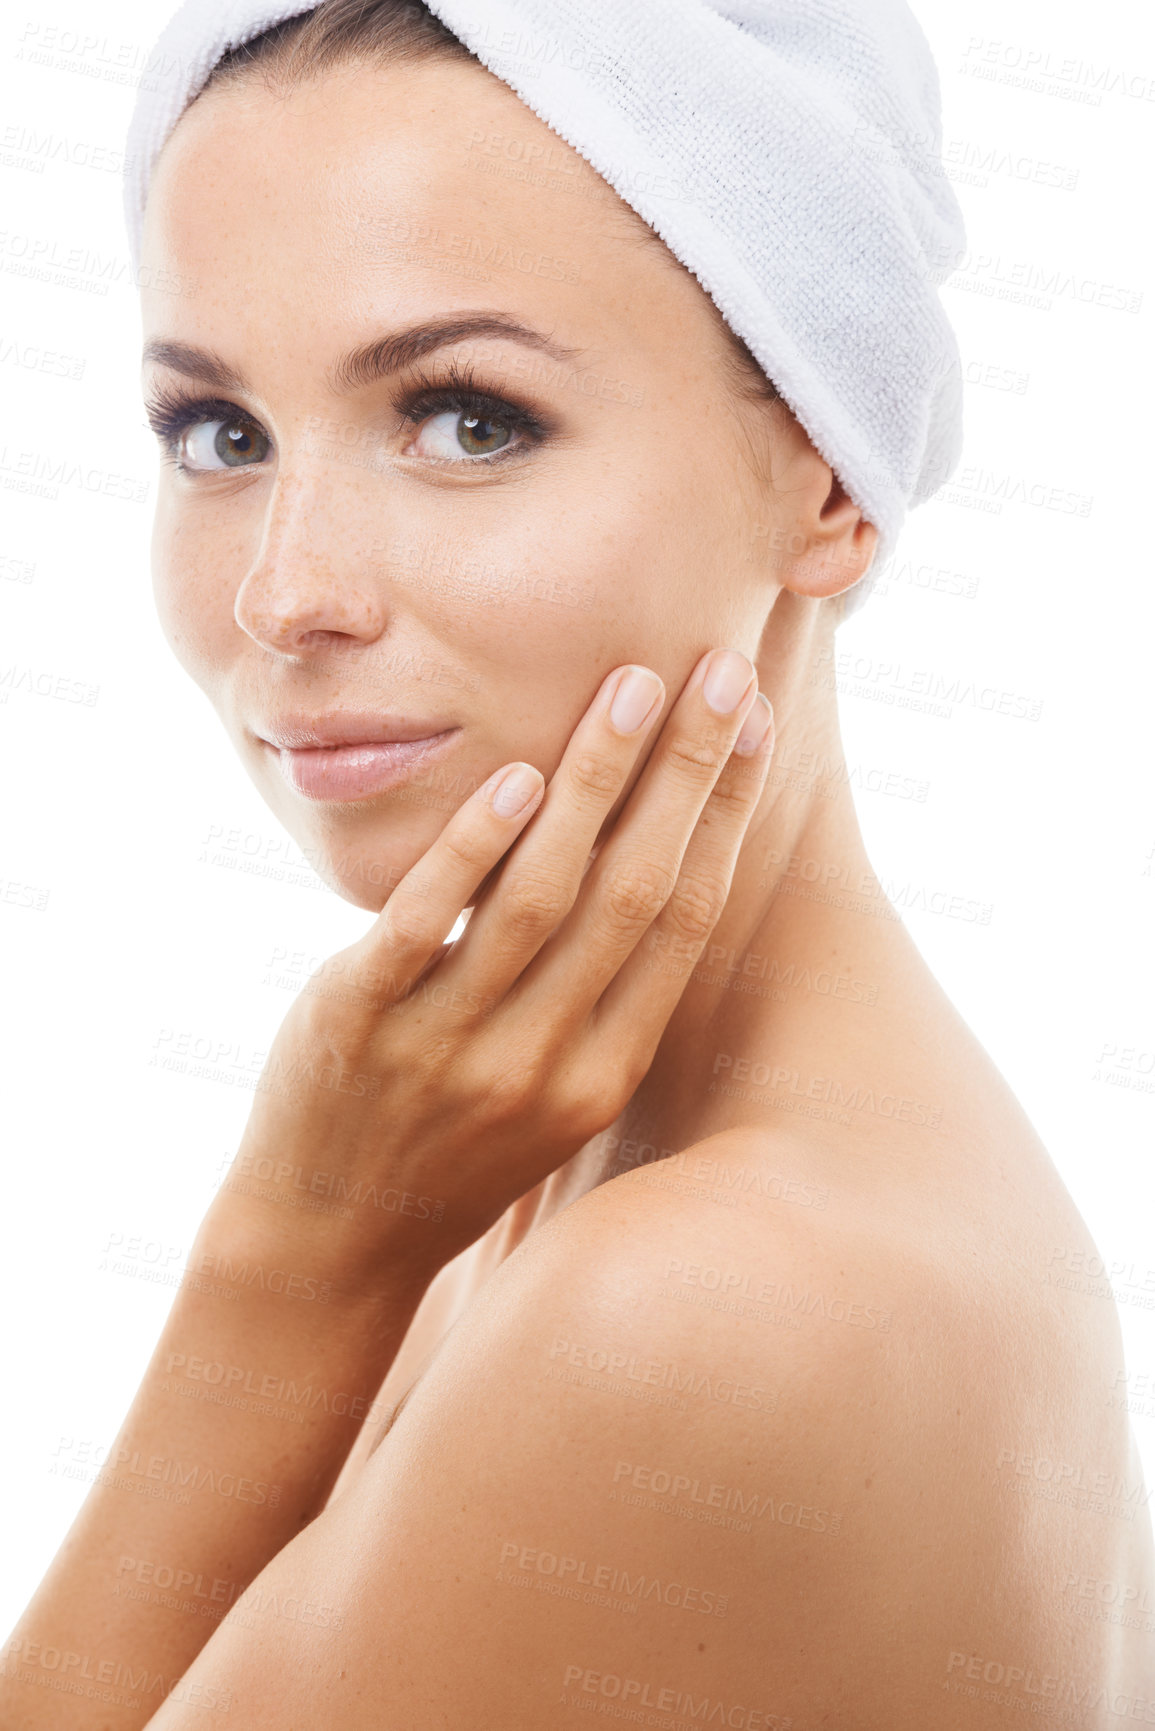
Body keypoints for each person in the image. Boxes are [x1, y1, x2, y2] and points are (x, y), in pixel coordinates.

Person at [3, 1, 1151, 1725]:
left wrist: (293, 1263)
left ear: (829, 481)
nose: (285, 594)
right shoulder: (567, 1179)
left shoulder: (702, 1310)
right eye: (220, 435)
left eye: (467, 419)